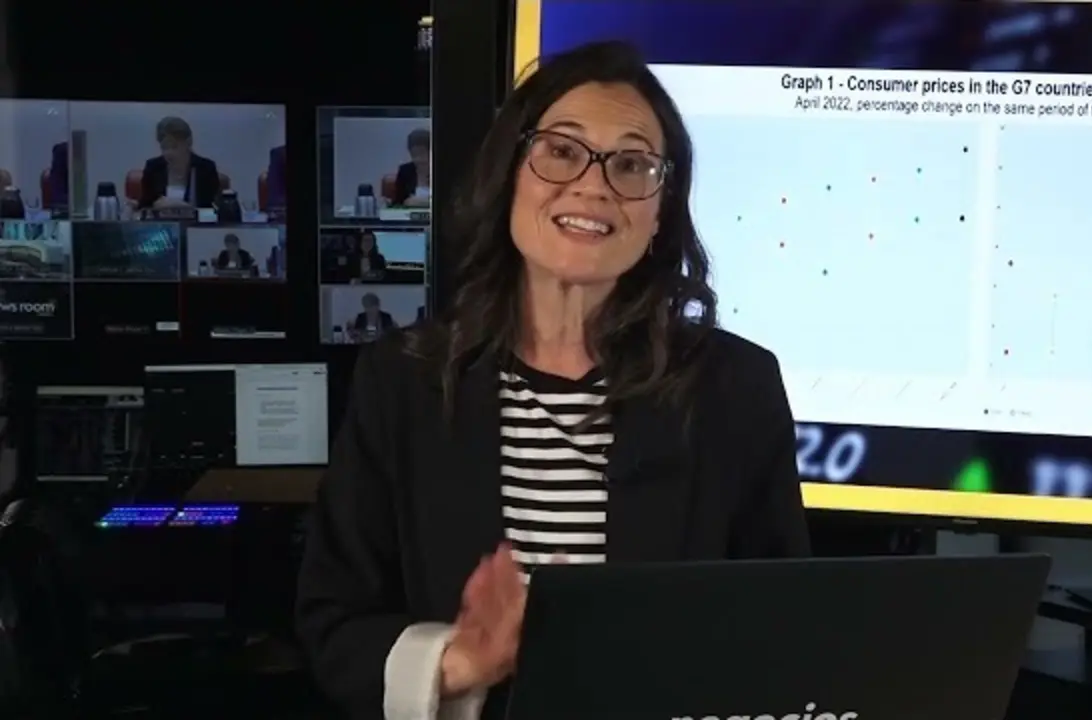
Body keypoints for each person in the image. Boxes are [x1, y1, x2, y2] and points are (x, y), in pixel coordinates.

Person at [296, 41, 808, 720]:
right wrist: (457, 661)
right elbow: (333, 622)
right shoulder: (403, 381)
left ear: (660, 213)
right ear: (510, 175)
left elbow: (780, 627)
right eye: (562, 151)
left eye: (632, 164)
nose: (594, 186)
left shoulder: (736, 388)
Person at [138, 116, 222, 209]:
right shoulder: (153, 167)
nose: (168, 153)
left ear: (188, 143)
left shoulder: (206, 168)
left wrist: (183, 207)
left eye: (174, 147)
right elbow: (145, 206)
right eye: (164, 147)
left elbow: (213, 208)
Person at [391, 128, 433, 207]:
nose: (418, 159)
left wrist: (423, 203)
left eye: (422, 153)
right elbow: (398, 202)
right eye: (414, 154)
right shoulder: (405, 171)